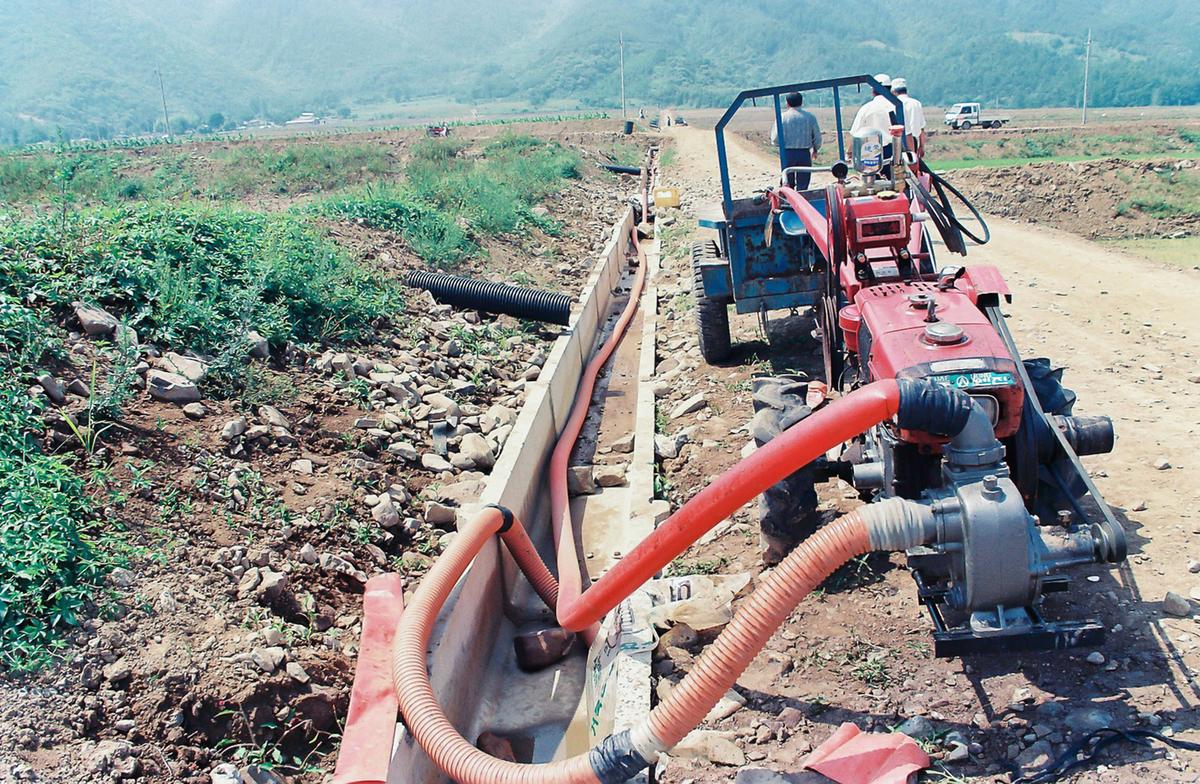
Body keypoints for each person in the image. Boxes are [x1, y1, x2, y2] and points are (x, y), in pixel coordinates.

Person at [769, 92, 822, 189]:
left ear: (787, 103)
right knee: (803, 183)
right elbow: (817, 137)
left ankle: (788, 202)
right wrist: (815, 148)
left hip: (787, 153)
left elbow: (775, 138)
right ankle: (801, 201)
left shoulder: (782, 117)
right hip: (804, 153)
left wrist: (780, 146)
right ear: (801, 102)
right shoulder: (810, 117)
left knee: (787, 182)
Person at [850, 73, 899, 176]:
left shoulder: (866, 108)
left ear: (873, 91)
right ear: (890, 89)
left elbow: (855, 133)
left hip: (870, 153)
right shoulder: (896, 106)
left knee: (872, 183)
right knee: (896, 183)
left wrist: (849, 153)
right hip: (894, 151)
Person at [891, 77, 926, 160]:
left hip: (897, 141)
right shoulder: (916, 103)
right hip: (914, 140)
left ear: (894, 91)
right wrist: (921, 146)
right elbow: (922, 128)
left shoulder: (892, 103)